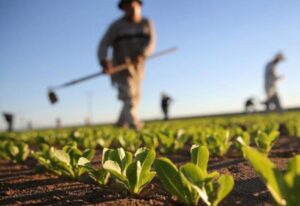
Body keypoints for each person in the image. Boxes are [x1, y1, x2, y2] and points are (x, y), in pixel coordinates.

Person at [98, 0, 156, 130]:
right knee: (129, 95)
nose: (131, 9)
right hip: (120, 67)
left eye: (133, 6)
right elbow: (104, 44)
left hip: (138, 68)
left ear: (139, 6)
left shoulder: (146, 23)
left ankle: (120, 123)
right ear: (123, 9)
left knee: (135, 96)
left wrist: (142, 54)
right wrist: (104, 61)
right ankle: (134, 124)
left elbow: (151, 42)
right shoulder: (116, 26)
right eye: (127, 7)